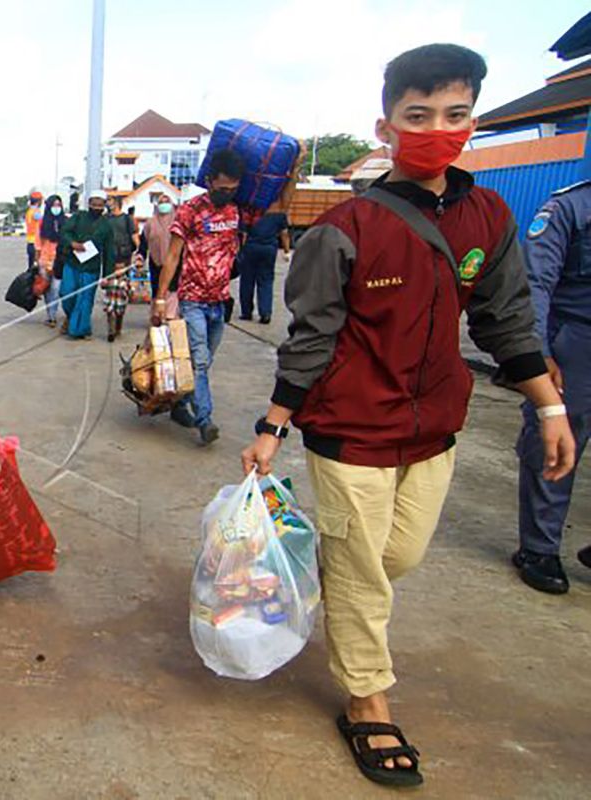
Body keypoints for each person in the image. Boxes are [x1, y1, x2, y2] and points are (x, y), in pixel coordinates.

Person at [240, 44, 576, 787]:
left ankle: (312, 568)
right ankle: (368, 700)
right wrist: (273, 426)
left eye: (454, 115)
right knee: (364, 571)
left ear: (472, 122)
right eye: (417, 115)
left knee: (398, 559)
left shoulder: (489, 215)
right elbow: (311, 336)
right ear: (385, 125)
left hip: (434, 431)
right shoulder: (346, 226)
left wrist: (548, 406)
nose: (436, 129)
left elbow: (506, 321)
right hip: (350, 428)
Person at [151, 150, 299, 444]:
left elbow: (282, 204)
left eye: (232, 189)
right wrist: (159, 298)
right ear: (209, 182)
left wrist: (293, 171)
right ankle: (205, 420)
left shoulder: (238, 210)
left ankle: (180, 404)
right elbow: (172, 256)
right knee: (201, 361)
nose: (226, 194)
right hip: (192, 299)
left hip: (220, 302)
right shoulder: (190, 210)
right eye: (221, 189)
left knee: (202, 361)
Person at [512, 180, 591, 594]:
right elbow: (536, 282)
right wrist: (538, 352)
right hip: (576, 343)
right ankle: (540, 548)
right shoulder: (571, 207)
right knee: (556, 443)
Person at [59, 190, 115, 340]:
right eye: (93, 204)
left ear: (104, 206)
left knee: (85, 299)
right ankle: (70, 318)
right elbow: (64, 232)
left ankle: (81, 330)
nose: (96, 207)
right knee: (66, 292)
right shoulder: (78, 217)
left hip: (91, 268)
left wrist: (107, 276)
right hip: (72, 263)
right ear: (89, 203)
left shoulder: (106, 226)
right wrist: (73, 243)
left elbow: (109, 252)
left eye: (99, 205)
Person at [237, 209, 291, 324]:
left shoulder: (251, 210)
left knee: (247, 281)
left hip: (251, 248)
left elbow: (244, 234)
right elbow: (284, 234)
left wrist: (241, 251)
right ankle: (265, 313)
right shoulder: (279, 213)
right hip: (269, 249)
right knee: (266, 281)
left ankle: (246, 312)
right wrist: (287, 251)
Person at [102, 195, 139, 341]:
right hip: (109, 258)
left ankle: (118, 324)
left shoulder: (127, 219)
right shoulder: (106, 219)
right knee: (110, 289)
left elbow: (134, 236)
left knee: (122, 289)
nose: (108, 203)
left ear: (117, 203)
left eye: (111, 201)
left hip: (124, 257)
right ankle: (111, 327)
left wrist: (139, 252)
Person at [141, 193, 178, 314]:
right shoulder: (150, 223)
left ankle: (170, 316)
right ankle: (156, 317)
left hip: (175, 262)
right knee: (157, 289)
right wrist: (140, 256)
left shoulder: (178, 222)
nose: (164, 205)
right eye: (161, 202)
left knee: (172, 289)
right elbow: (144, 243)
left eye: (167, 202)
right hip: (156, 262)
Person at [37, 194, 66, 328]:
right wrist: (36, 261)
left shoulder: (65, 222)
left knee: (56, 289)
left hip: (59, 260)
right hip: (44, 260)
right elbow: (38, 243)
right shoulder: (43, 222)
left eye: (59, 205)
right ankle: (51, 315)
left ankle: (53, 314)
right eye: (54, 205)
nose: (56, 208)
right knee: (47, 289)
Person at [24, 190, 44, 270]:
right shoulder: (36, 213)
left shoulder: (29, 211)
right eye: (41, 201)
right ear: (38, 201)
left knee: (31, 267)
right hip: (35, 243)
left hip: (30, 242)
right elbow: (44, 221)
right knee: (35, 269)